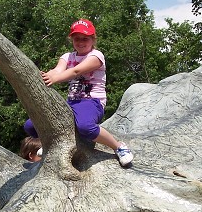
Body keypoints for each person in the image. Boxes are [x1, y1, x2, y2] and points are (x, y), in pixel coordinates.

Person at [23, 18, 133, 167]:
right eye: (76, 39)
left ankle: (118, 146)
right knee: (30, 126)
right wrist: (46, 75)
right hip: (71, 102)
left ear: (93, 39)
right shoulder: (67, 57)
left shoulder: (96, 56)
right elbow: (58, 70)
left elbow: (76, 71)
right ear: (71, 40)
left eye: (85, 38)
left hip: (91, 102)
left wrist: (54, 79)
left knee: (85, 127)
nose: (80, 42)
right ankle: (52, 143)